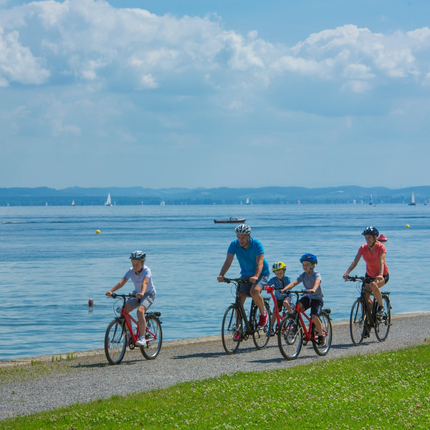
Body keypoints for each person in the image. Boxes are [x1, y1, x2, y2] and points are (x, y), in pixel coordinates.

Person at [217, 224, 270, 328]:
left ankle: (263, 314)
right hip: (245, 274)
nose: (240, 240)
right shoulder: (234, 245)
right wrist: (221, 274)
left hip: (261, 273)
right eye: (239, 237)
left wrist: (256, 276)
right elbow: (228, 261)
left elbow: (260, 262)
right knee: (239, 300)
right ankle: (238, 327)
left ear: (249, 237)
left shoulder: (257, 245)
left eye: (243, 238)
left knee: (254, 292)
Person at [106, 251, 156, 347]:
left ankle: (142, 337)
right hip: (136, 294)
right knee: (124, 310)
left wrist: (142, 293)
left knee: (140, 311)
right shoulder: (131, 271)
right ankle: (130, 334)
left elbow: (144, 283)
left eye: (137, 264)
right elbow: (122, 282)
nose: (135, 266)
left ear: (142, 263)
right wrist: (111, 291)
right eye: (133, 263)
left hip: (148, 294)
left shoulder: (147, 270)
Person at [343, 226, 389, 321]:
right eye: (366, 237)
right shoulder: (363, 248)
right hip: (369, 275)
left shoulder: (381, 247)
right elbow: (355, 261)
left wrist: (380, 275)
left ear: (375, 237)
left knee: (373, 285)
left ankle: (381, 307)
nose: (367, 240)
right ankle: (369, 319)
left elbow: (381, 261)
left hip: (382, 274)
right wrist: (347, 272)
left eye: (369, 237)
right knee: (364, 298)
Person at [281, 254, 325, 345]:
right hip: (308, 297)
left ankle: (321, 335)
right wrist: (285, 289)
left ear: (313, 265)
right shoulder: (303, 275)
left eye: (307, 264)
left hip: (317, 298)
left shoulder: (316, 274)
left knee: (314, 317)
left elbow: (317, 282)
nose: (304, 266)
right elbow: (294, 283)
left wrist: (313, 289)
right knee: (297, 308)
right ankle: (297, 327)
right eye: (303, 264)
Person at [267, 262, 292, 335]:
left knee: (286, 303)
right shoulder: (274, 279)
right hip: (278, 299)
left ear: (284, 272)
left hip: (287, 296)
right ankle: (271, 327)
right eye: (277, 273)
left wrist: (286, 289)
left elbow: (290, 285)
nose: (279, 275)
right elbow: (267, 284)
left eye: (280, 273)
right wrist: (265, 287)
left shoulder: (287, 279)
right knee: (275, 311)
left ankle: (292, 317)